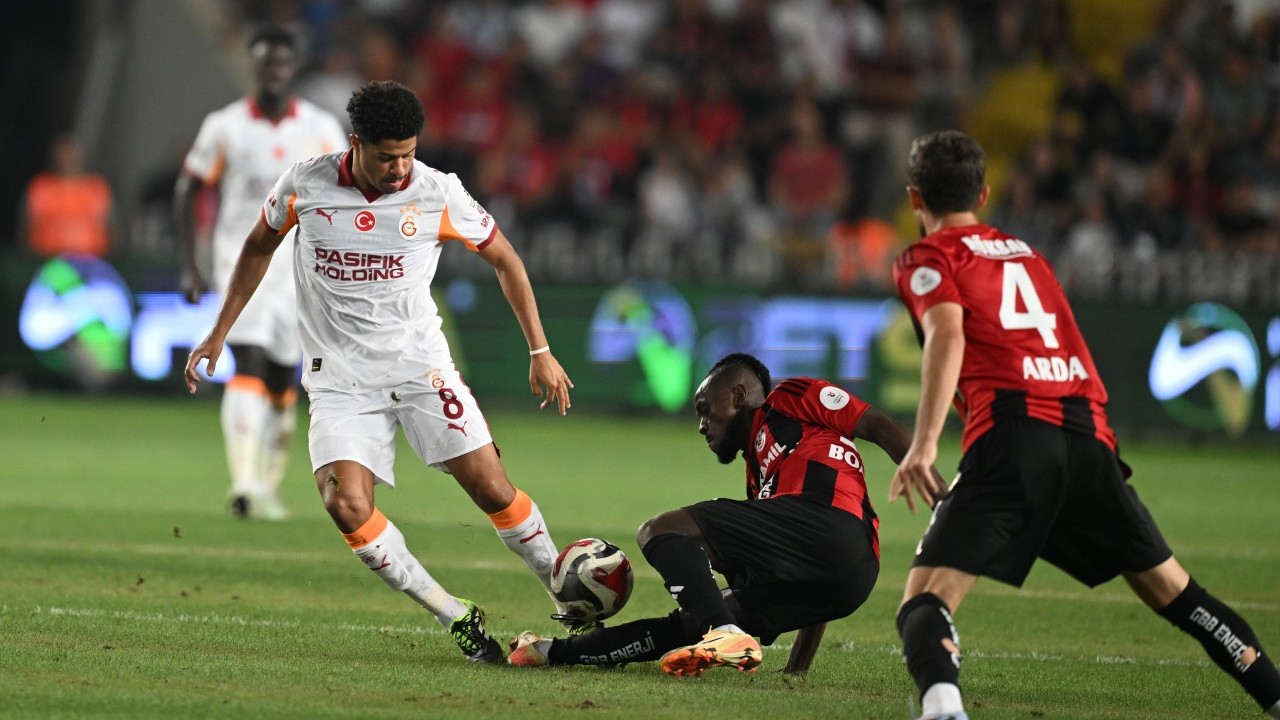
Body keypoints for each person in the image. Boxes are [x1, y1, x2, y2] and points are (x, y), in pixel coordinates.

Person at [888, 129, 1280, 720]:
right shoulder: (1030, 256)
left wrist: (922, 445)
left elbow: (947, 332)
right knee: (1178, 595)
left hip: (1016, 434)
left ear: (915, 198)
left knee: (925, 601)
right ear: (986, 193)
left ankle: (944, 712)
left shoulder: (929, 256)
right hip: (1088, 436)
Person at [184, 79, 576, 663]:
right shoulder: (305, 183)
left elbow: (505, 259)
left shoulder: (437, 191)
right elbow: (258, 247)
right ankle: (454, 614)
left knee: (491, 486)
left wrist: (539, 350)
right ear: (355, 144)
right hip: (340, 377)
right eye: (388, 155)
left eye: (409, 153)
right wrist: (220, 330)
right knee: (344, 503)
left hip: (420, 366)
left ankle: (565, 592)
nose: (400, 168)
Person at [508, 352, 939, 676]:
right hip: (851, 578)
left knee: (660, 531)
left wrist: (937, 489)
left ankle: (725, 633)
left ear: (738, 395)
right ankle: (552, 653)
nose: (701, 425)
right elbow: (815, 568)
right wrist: (797, 669)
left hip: (837, 528)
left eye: (704, 409)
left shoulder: (789, 400)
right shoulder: (761, 484)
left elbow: (876, 424)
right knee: (697, 619)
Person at [175, 26, 347, 520]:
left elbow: (345, 190)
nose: (273, 71)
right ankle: (244, 484)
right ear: (254, 68)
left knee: (281, 379)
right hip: (241, 265)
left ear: (293, 68)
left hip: (298, 273)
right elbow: (189, 189)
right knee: (245, 363)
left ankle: (267, 486)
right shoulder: (225, 125)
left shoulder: (318, 129)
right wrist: (191, 265)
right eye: (264, 63)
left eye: (281, 63)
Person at [21, 133, 113, 259]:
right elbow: (26, 227)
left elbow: (111, 229)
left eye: (71, 153)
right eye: (63, 154)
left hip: (90, 261)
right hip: (46, 260)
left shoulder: (97, 188)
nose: (67, 159)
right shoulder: (41, 186)